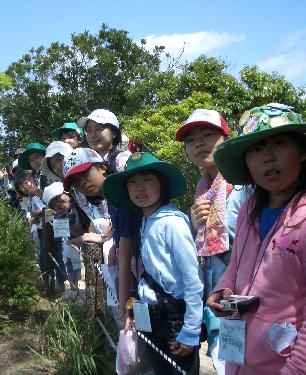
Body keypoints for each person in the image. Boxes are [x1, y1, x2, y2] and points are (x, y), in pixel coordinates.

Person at [206, 103, 306, 374]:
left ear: (304, 152)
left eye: (279, 143)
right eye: (256, 149)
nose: (267, 157)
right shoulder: (249, 209)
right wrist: (223, 287)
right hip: (239, 361)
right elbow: (236, 265)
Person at [103, 151, 203, 374]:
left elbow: (193, 279)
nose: (140, 188)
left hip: (175, 322)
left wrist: (191, 330)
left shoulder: (172, 223)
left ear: (163, 185)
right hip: (154, 316)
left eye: (148, 180)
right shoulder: (148, 220)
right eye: (132, 182)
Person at [176, 108, 248, 373]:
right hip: (216, 301)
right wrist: (195, 225)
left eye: (207, 134)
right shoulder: (204, 188)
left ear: (225, 139)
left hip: (246, 300)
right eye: (191, 140)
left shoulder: (244, 184)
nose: (199, 143)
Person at [78, 109, 136, 320]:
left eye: (100, 128)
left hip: (128, 237)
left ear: (114, 132)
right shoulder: (95, 162)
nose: (93, 134)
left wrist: (109, 237)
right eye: (89, 130)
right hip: (117, 238)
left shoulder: (122, 160)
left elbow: (127, 205)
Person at [43, 182, 83, 290]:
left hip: (79, 241)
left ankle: (75, 288)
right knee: (67, 261)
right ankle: (71, 288)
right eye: (55, 204)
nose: (59, 205)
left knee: (75, 262)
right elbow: (47, 226)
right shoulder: (50, 212)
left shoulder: (79, 204)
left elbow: (82, 231)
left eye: (60, 200)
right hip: (63, 242)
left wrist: (70, 224)